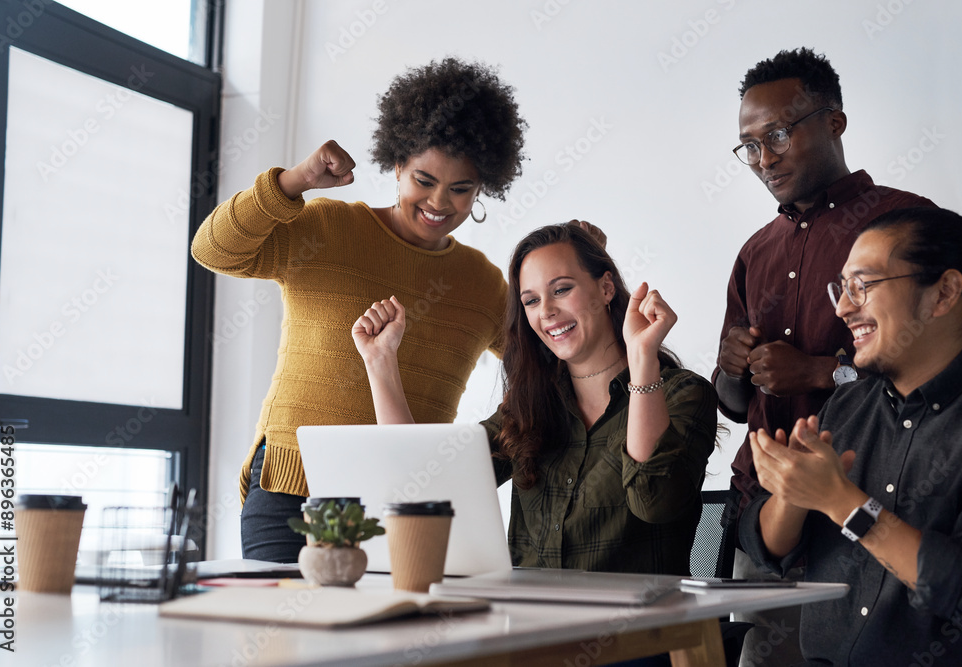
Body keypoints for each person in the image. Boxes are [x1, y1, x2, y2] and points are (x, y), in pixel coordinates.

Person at [191, 58, 527, 562]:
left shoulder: (482, 284)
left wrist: (582, 268)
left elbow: (546, 362)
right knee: (282, 634)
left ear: (483, 189)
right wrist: (295, 181)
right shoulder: (328, 229)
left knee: (385, 637)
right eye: (424, 179)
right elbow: (213, 250)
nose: (440, 202)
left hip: (403, 502)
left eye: (461, 189)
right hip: (291, 488)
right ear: (396, 166)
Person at [712, 47, 934, 665]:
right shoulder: (755, 251)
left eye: (778, 134)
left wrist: (819, 372)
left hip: (871, 508)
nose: (765, 158)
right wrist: (730, 369)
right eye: (749, 146)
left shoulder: (905, 224)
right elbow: (734, 406)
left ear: (834, 121)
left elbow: (948, 368)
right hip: (765, 517)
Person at [354, 223, 717, 575]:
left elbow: (653, 501)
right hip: (531, 626)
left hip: (642, 631)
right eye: (531, 300)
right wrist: (380, 362)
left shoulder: (682, 394)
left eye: (561, 290)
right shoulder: (528, 406)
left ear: (606, 288)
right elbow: (422, 483)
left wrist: (642, 361)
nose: (545, 312)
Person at [742, 207, 962, 665]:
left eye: (863, 285)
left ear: (945, 292)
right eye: (842, 288)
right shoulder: (850, 404)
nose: (842, 307)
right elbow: (768, 547)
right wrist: (793, 494)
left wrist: (842, 502)